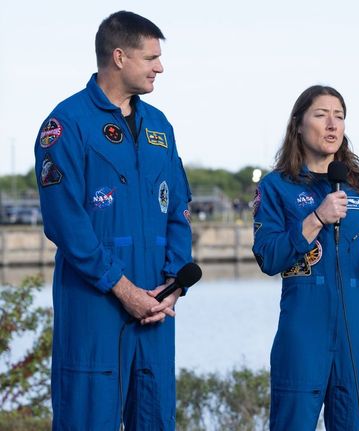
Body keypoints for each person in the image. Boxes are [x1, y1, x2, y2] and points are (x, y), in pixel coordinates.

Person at [34, 11, 192, 430]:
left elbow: (177, 208)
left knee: (156, 418)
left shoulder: (159, 126)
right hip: (95, 307)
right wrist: (122, 289)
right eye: (151, 57)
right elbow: (65, 223)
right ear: (119, 57)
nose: (161, 67)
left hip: (156, 308)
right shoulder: (66, 124)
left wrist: (173, 285)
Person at [252, 85, 359, 430]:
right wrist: (316, 218)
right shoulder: (275, 187)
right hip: (303, 326)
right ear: (298, 124)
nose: (332, 124)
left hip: (357, 327)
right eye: (321, 115)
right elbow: (268, 257)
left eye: (339, 116)